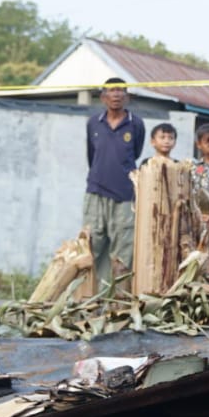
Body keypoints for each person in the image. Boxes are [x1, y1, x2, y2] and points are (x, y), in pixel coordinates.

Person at [84, 77, 145, 286]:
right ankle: (88, 298)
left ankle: (117, 299)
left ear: (127, 97)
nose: (116, 94)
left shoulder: (135, 123)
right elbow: (92, 156)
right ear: (103, 97)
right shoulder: (93, 123)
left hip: (125, 195)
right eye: (112, 90)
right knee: (92, 244)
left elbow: (136, 153)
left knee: (123, 249)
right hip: (96, 192)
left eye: (120, 90)